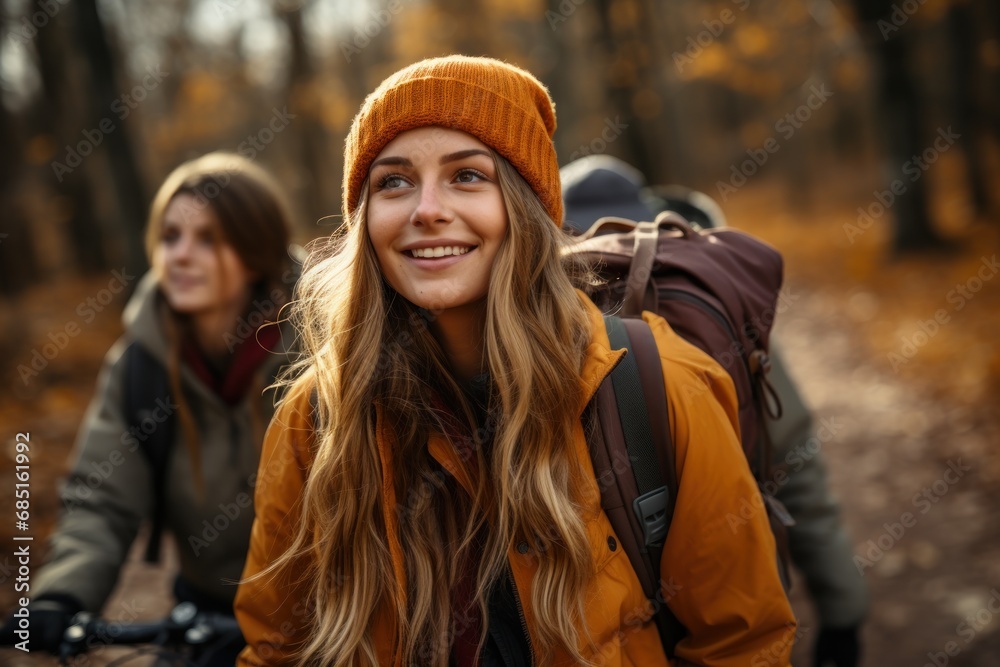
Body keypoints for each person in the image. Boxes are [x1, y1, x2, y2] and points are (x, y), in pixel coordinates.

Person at [235, 55, 795, 667]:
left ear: (527, 210)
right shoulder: (318, 416)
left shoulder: (656, 384)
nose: (426, 209)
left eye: (467, 176)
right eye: (392, 182)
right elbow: (275, 648)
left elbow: (745, 642)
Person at [561, 155, 870, 667]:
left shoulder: (529, 323)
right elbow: (797, 466)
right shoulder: (706, 299)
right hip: (739, 598)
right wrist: (844, 609)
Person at [4, 152, 298, 664]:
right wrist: (60, 595)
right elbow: (100, 498)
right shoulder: (140, 368)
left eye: (208, 239)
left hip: (331, 616)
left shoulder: (324, 350)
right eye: (170, 237)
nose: (180, 256)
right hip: (202, 618)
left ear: (256, 250)